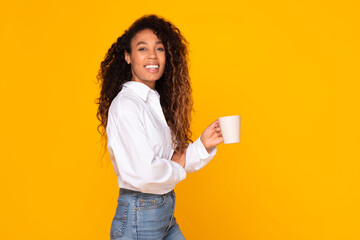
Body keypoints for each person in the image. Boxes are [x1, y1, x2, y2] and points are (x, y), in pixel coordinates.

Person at [96, 15, 223, 240]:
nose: (153, 56)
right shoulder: (126, 106)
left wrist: (202, 145)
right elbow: (146, 173)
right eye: (142, 48)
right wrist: (176, 165)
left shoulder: (156, 104)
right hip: (139, 216)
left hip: (163, 214)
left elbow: (172, 159)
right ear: (127, 56)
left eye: (160, 49)